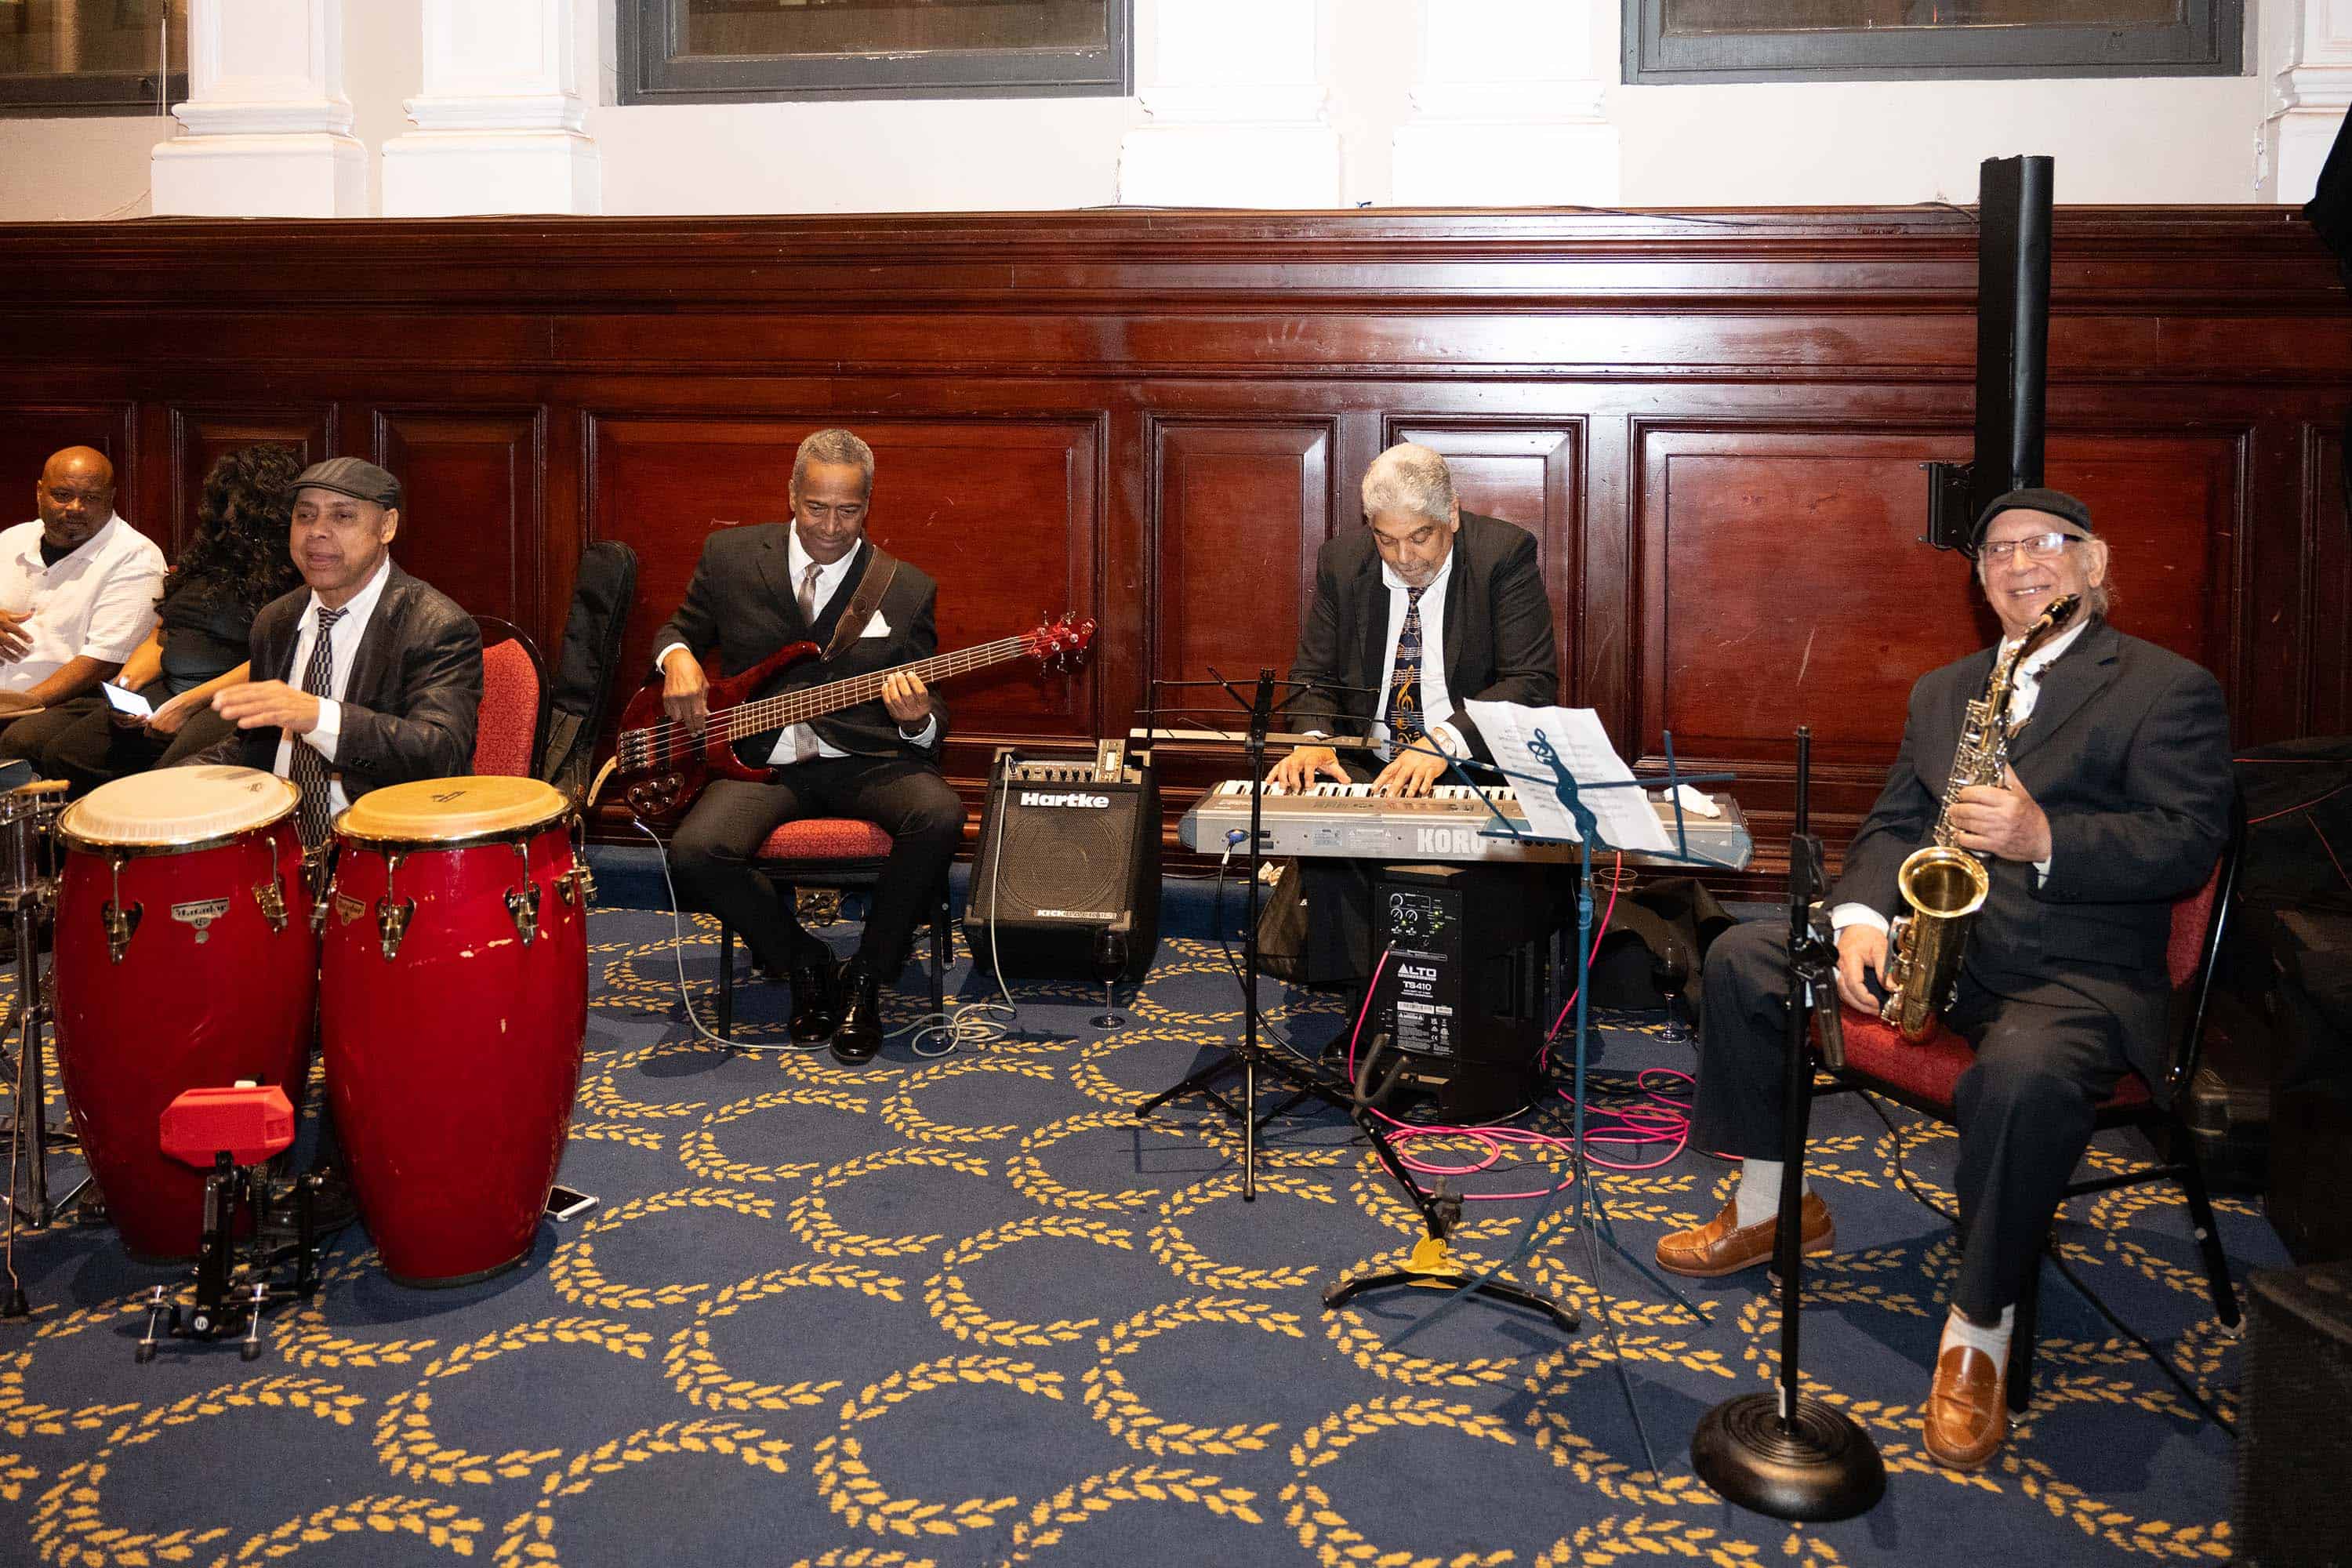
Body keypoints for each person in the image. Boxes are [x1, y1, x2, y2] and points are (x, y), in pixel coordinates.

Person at [1655, 487, 2234, 1472]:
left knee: (2021, 1076)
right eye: (1997, 552)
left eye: (2044, 545)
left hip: (2072, 973)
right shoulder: (1947, 690)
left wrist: (2046, 833)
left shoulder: (2166, 687)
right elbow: (1891, 825)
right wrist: (1859, 921)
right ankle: (1769, 1206)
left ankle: (1981, 1330)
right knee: (1745, 955)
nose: (2019, 565)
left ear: (2094, 564)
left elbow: (2186, 843)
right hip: (1944, 952)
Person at [655, 427, 960, 1066]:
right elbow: (679, 627)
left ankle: (869, 976)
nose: (830, 526)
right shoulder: (731, 555)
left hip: (864, 760)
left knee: (939, 814)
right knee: (694, 850)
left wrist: (915, 720)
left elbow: (930, 707)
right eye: (816, 506)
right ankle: (803, 960)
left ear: (868, 505)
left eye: (848, 511)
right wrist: (677, 657)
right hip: (759, 761)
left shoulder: (905, 588)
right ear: (792, 494)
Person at [1263, 441, 1559, 982]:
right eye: (1387, 539)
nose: (1404, 557)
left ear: (1451, 513)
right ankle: (1363, 1007)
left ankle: (1459, 995)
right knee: (1327, 822)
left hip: (1473, 760)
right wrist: (1311, 735)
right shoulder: (1342, 561)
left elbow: (1530, 681)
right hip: (1373, 761)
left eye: (1420, 537)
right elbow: (1311, 677)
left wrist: (1443, 742)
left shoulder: (1504, 555)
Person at [213, 457, 482, 848]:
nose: (317, 533)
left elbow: (439, 752)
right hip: (274, 840)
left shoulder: (437, 626)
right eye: (305, 516)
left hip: (378, 845)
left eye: (342, 517)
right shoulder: (277, 620)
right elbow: (256, 744)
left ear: (386, 527)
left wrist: (318, 717)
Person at [13, 445, 304, 793]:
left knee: (168, 780)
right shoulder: (209, 554)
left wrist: (188, 703)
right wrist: (127, 684)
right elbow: (162, 633)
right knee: (68, 754)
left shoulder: (293, 570)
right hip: (168, 686)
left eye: (242, 506)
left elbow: (274, 659)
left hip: (225, 698)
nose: (229, 517)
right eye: (224, 500)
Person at [0, 446, 168, 782]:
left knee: (19, 740)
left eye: (90, 498)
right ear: (39, 492)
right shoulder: (11, 539)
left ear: (111, 498)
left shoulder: (135, 558)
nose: (75, 508)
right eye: (62, 495)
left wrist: (16, 705)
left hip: (69, 701)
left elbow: (100, 663)